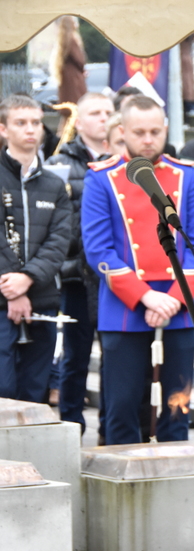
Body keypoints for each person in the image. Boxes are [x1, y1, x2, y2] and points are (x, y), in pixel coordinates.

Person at [80, 95, 194, 445]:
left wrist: (172, 299)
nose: (149, 139)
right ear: (122, 131)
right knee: (121, 406)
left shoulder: (187, 177)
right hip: (125, 305)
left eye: (156, 131)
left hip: (179, 305)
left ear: (165, 128)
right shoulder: (101, 179)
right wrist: (146, 297)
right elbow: (98, 251)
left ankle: (174, 479)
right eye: (139, 132)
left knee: (177, 406)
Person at [45, 92, 115, 432]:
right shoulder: (62, 162)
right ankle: (72, 423)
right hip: (75, 275)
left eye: (108, 112)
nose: (103, 118)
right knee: (76, 356)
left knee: (115, 356)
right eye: (95, 112)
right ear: (80, 121)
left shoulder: (124, 160)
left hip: (115, 277)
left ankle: (109, 424)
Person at [0, 95, 72, 403]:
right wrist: (13, 288)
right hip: (2, 299)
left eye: (36, 122)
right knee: (3, 388)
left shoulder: (55, 185)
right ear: (3, 129)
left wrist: (27, 279)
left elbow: (59, 240)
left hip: (41, 298)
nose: (31, 129)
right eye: (21, 123)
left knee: (35, 393)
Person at [50, 17, 87, 134]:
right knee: (77, 113)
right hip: (75, 84)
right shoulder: (72, 40)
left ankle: (60, 140)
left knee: (67, 117)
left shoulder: (62, 42)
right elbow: (80, 60)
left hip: (67, 85)